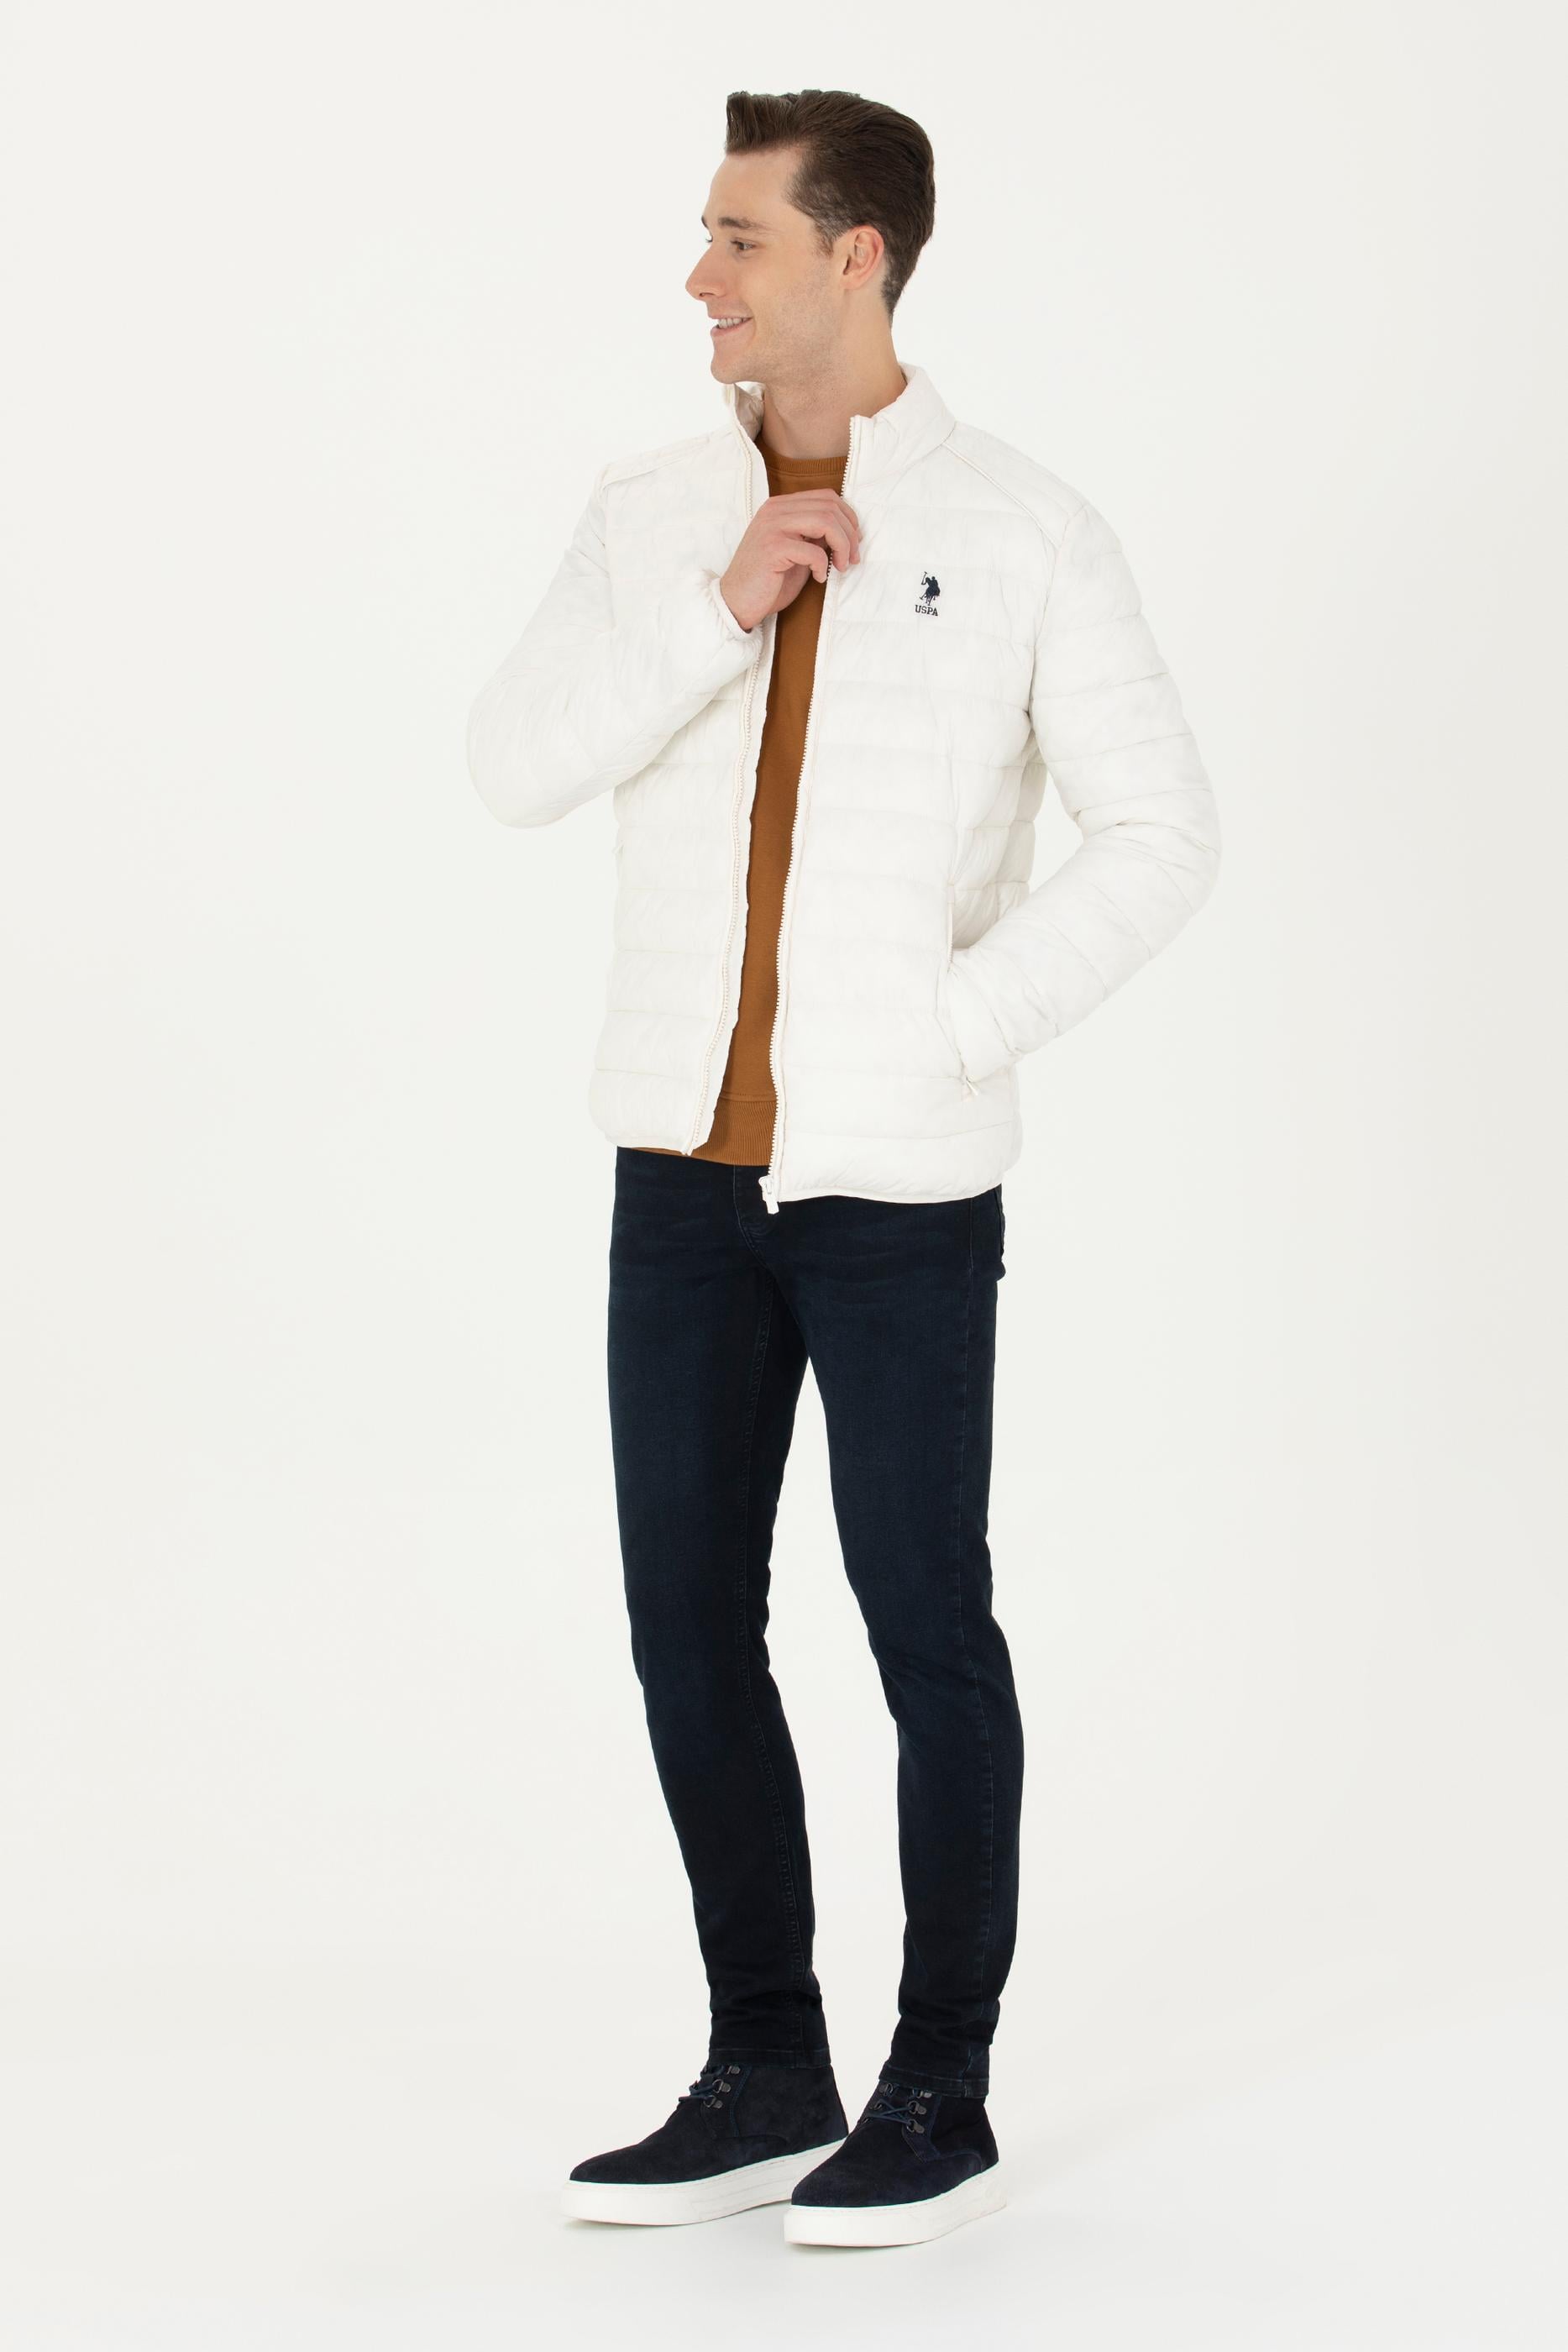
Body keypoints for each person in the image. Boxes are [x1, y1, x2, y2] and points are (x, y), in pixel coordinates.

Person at [466, 86, 1220, 2249]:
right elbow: (511, 763)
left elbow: (1160, 830)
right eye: (706, 236)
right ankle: (765, 2059)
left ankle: (939, 2082)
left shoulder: (1027, 525)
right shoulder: (648, 512)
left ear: (855, 254)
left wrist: (951, 1027)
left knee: (922, 1629)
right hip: (678, 1179)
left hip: (898, 1190)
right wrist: (717, 608)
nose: (696, 276)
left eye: (737, 238)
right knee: (687, 1631)